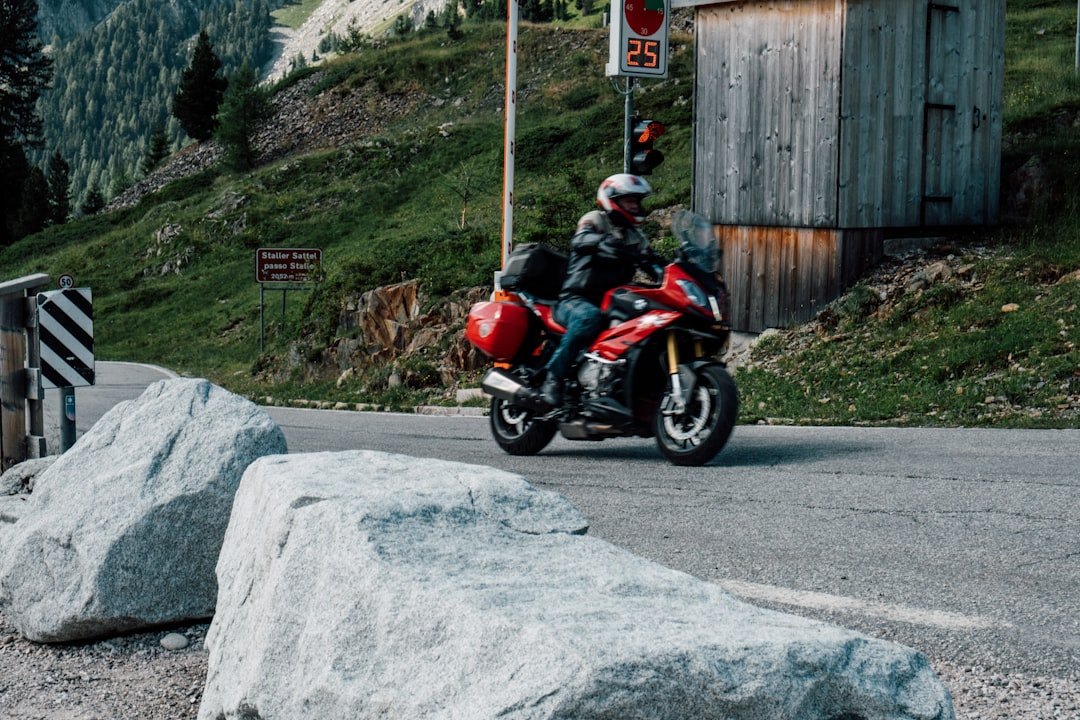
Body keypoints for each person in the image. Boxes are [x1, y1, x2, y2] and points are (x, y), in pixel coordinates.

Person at [539, 173, 662, 408]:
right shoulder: (595, 219)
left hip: (611, 302)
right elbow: (580, 239)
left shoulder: (634, 237)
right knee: (588, 318)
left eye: (637, 201)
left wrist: (667, 271)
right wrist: (601, 242)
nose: (635, 206)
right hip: (576, 298)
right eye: (629, 200)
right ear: (612, 200)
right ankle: (553, 379)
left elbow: (651, 261)